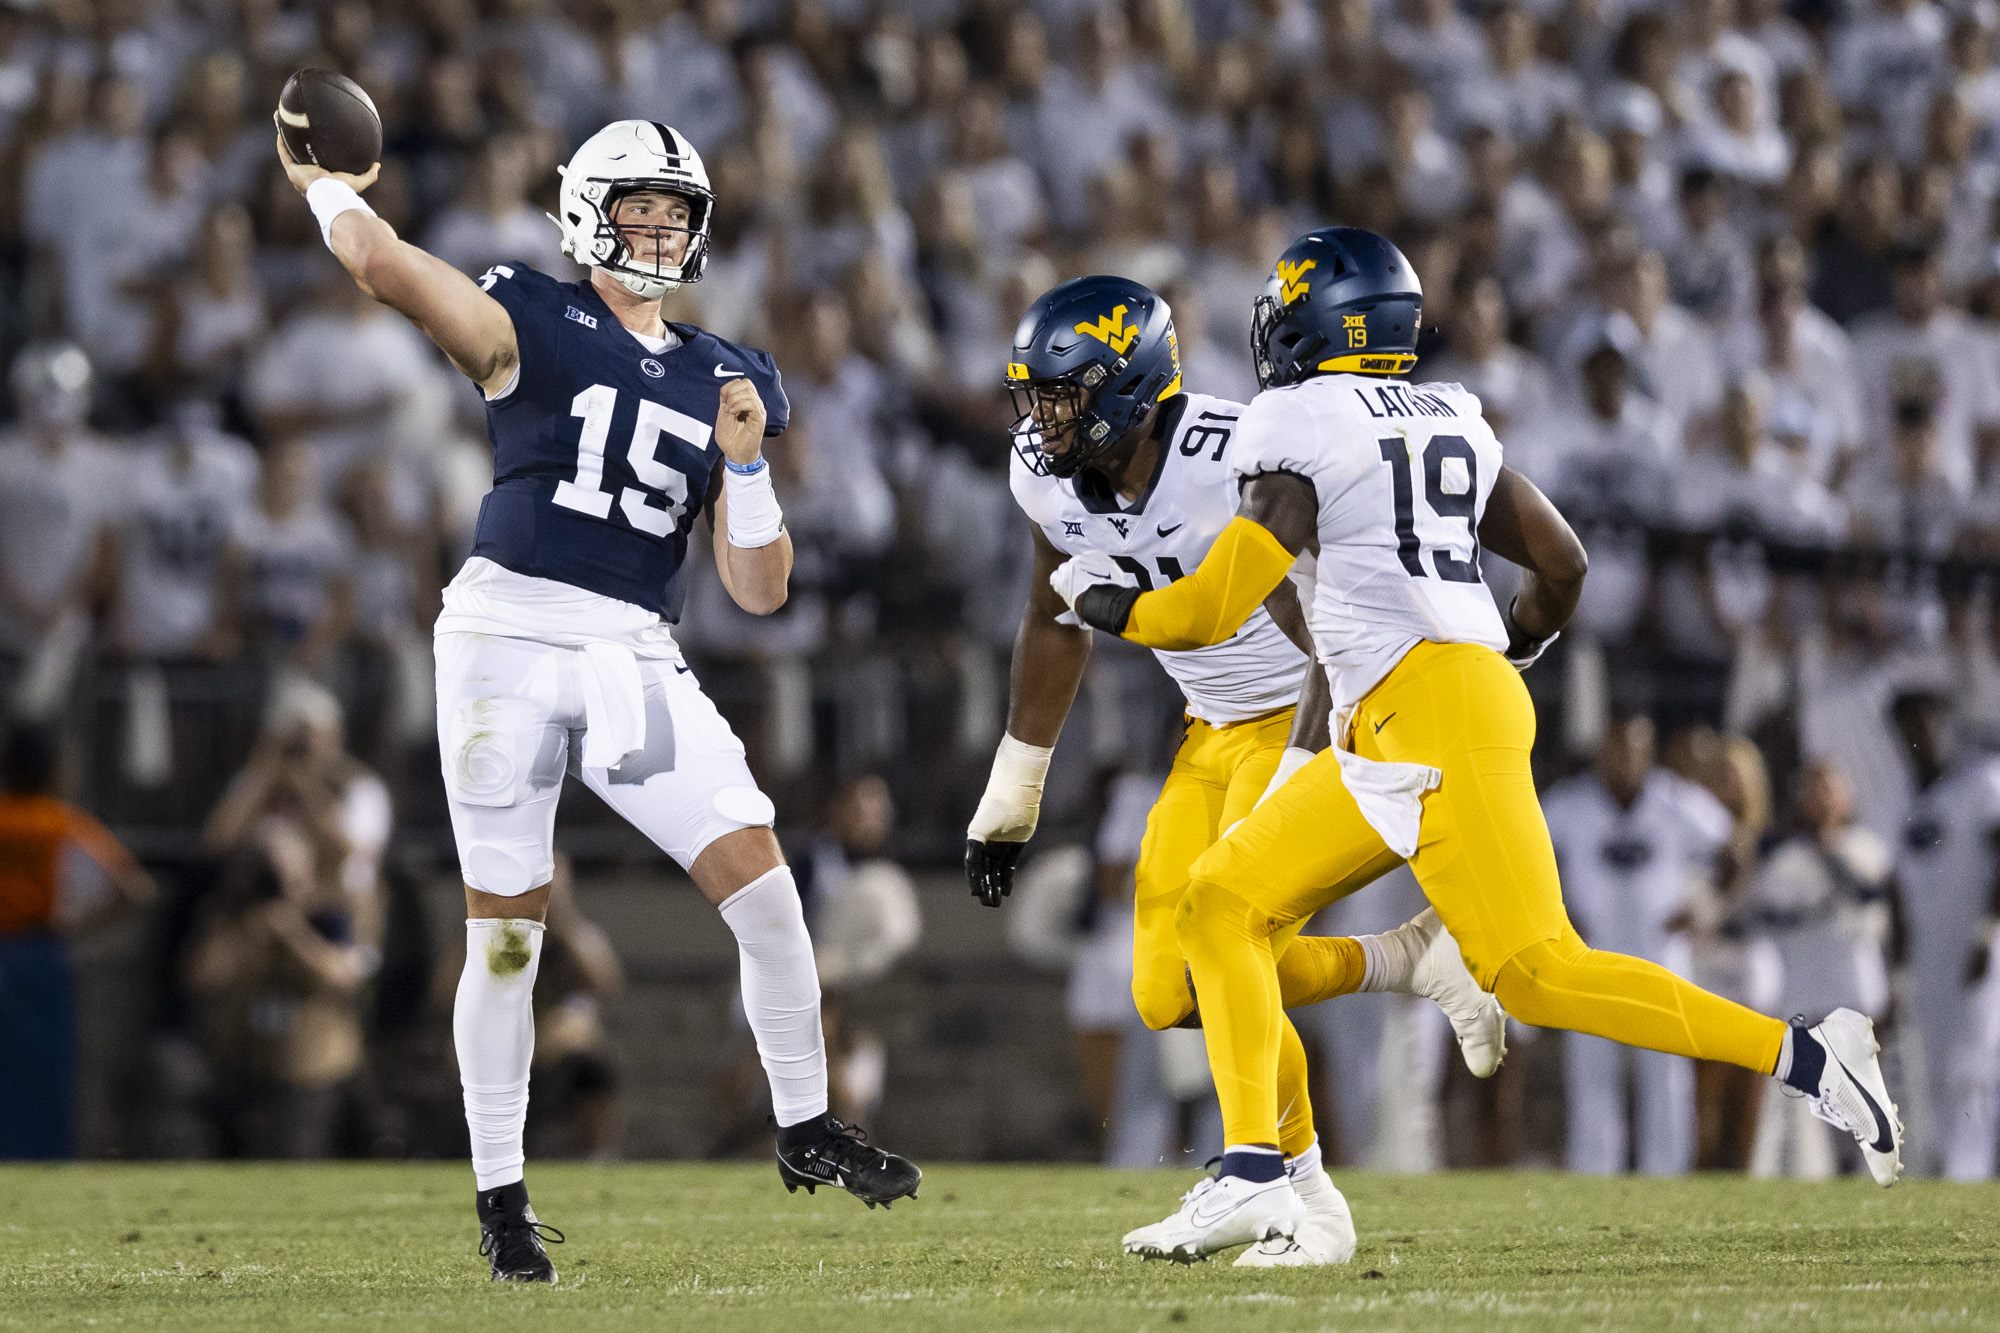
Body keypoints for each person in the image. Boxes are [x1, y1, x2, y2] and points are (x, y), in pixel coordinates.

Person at [1054, 227, 1905, 1261]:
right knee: (1222, 905)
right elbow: (1563, 561)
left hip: (1427, 713)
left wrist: (1104, 603)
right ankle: (1262, 1168)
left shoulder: (1292, 415)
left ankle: (1810, 1054)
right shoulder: (1447, 409)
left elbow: (1210, 606)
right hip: (1425, 709)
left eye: (1284, 313)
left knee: (1538, 972)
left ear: (1320, 325)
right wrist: (1514, 648)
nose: (1268, 332)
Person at [276, 117, 919, 1284]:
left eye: (677, 211)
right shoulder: (528, 309)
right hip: (506, 632)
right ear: (585, 213)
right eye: (640, 207)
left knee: (767, 887)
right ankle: (501, 1197)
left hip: (632, 644)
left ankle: (807, 1123)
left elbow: (760, 591)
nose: (661, 229)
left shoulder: (733, 373)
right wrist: (325, 186)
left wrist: (751, 464)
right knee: (509, 933)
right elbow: (382, 267)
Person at [965, 274, 1504, 1267]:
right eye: (1032, 395)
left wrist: (1299, 766)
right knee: (1165, 991)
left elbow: (1328, 634)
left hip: (1307, 707)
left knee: (1227, 927)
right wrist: (1015, 788)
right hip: (1207, 726)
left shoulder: (1238, 457)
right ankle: (1400, 965)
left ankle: (1267, 1180)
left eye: (1061, 395)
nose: (1040, 418)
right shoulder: (1044, 476)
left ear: (1128, 391)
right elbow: (1050, 613)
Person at [1542, 714, 1733, 1175]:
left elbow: (1734, 846)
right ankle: (1594, 1173)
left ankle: (1666, 1175)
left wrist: (1708, 906)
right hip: (1590, 961)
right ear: (1600, 751)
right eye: (1616, 748)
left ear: (1648, 752)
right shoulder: (1570, 804)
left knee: (1666, 1075)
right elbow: (1520, 855)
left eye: (1634, 748)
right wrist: (1553, 912)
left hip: (1661, 960)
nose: (1625, 758)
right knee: (1591, 1075)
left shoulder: (1676, 801)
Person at [0, 720, 154, 1158]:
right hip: (38, 953)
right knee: (42, 1075)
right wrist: (79, 929)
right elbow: (134, 889)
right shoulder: (59, 822)